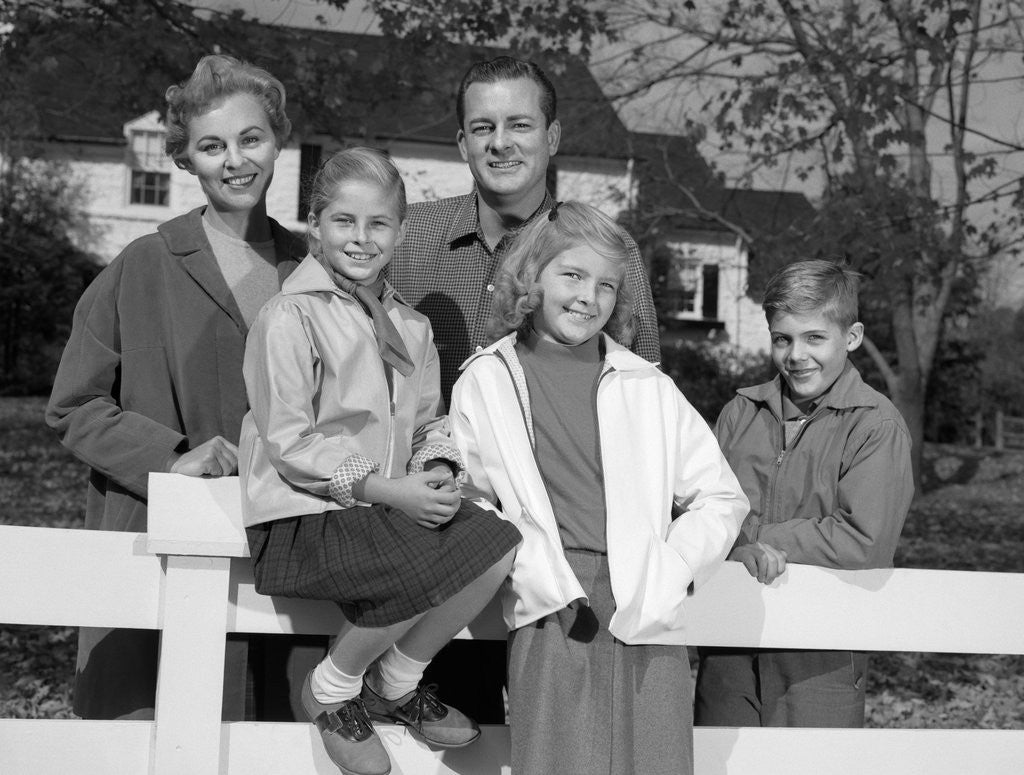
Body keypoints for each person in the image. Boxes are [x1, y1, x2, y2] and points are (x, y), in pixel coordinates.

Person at [387, 53, 661, 723]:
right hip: (437, 543)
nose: (500, 143)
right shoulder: (406, 240)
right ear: (461, 142)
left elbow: (644, 403)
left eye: (519, 124)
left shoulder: (607, 252)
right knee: (447, 741)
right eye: (482, 127)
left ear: (553, 136)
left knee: (567, 740)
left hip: (569, 548)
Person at [238, 147, 522, 775]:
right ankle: (332, 689)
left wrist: (438, 466)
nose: (361, 239)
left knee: (498, 542)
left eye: (379, 224)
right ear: (314, 224)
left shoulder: (410, 328)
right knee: (421, 556)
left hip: (379, 519)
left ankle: (394, 681)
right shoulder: (289, 316)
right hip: (302, 518)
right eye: (344, 221)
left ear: (400, 231)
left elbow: (428, 422)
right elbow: (289, 443)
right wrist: (387, 492)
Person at [46, 54, 306, 720]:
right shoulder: (142, 265)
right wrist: (168, 454)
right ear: (185, 160)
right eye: (212, 146)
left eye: (251, 138)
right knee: (167, 729)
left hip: (290, 546)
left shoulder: (313, 269)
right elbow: (73, 403)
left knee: (272, 736)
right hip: (163, 536)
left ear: (279, 139)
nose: (236, 160)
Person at [449, 201, 749, 775]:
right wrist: (531, 571)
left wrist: (674, 570)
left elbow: (722, 495)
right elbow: (469, 497)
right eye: (573, 275)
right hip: (553, 606)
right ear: (532, 278)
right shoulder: (485, 380)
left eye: (607, 285)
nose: (589, 296)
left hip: (645, 596)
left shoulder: (648, 385)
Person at [694, 259, 914, 728]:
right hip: (731, 637)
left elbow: (864, 539)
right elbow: (699, 508)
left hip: (823, 650)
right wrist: (738, 546)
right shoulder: (739, 413)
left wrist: (760, 538)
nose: (796, 355)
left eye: (815, 338)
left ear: (850, 337)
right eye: (783, 338)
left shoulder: (874, 424)